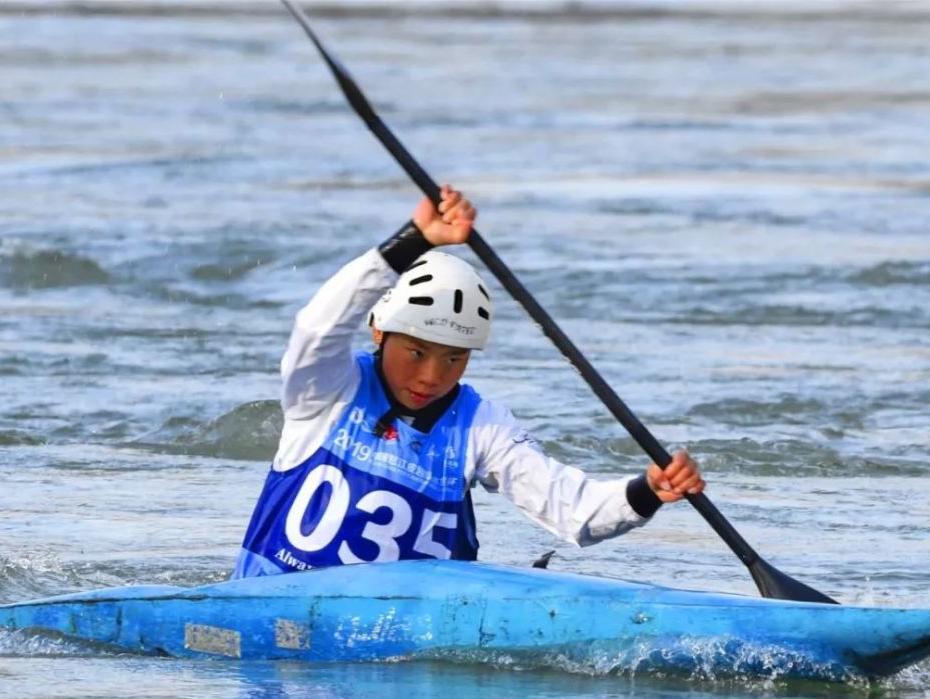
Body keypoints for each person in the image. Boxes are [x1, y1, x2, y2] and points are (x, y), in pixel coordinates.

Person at [232, 185, 705, 578]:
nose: (432, 376)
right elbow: (318, 326)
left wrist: (647, 491)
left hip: (405, 655)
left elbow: (571, 510)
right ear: (379, 331)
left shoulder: (482, 425)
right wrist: (413, 241)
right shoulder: (328, 390)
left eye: (455, 358)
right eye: (416, 352)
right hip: (274, 621)